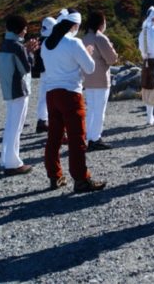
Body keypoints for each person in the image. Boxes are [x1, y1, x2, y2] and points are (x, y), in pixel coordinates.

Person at [42, 10, 105, 192]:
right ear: (74, 26)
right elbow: (90, 68)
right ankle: (81, 179)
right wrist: (87, 53)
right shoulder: (74, 43)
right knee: (77, 138)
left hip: (51, 94)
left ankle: (55, 175)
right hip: (70, 93)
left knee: (54, 137)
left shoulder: (47, 43)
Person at [0, 14, 35, 176]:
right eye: (25, 28)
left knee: (11, 125)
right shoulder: (17, 46)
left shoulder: (5, 44)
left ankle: (6, 159)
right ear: (20, 30)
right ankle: (13, 162)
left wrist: (25, 49)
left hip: (8, 89)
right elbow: (26, 68)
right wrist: (30, 52)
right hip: (18, 89)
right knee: (16, 126)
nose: (26, 31)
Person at [81, 10, 119, 150]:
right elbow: (112, 59)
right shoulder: (100, 38)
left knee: (91, 109)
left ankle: (90, 136)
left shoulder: (85, 38)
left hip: (88, 79)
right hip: (101, 79)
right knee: (99, 110)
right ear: (101, 23)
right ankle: (95, 138)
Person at [33, 15, 57, 133]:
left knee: (43, 96)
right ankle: (47, 120)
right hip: (52, 72)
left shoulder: (40, 40)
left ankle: (42, 120)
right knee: (54, 97)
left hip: (43, 72)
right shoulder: (52, 41)